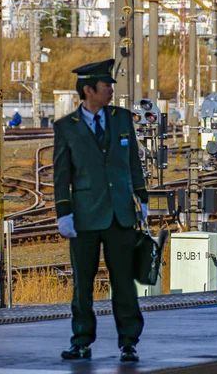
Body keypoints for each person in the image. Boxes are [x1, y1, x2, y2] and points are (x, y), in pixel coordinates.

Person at [53, 59, 148, 362]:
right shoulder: (66, 128)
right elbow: (61, 175)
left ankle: (129, 341)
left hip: (120, 214)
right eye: (106, 86)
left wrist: (141, 198)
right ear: (88, 90)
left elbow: (133, 161)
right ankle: (81, 340)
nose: (110, 90)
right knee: (83, 284)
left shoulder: (122, 120)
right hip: (84, 217)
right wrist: (63, 213)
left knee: (124, 282)